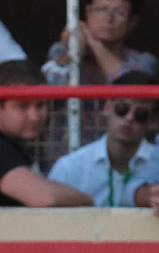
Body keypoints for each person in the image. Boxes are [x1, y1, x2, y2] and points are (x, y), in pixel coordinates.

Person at [47, 69, 159, 206]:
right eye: (121, 108)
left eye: (140, 114)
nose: (129, 118)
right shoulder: (70, 168)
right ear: (107, 107)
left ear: (152, 121)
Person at [0, 60, 94, 207]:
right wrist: (87, 200)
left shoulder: (13, 145)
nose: (35, 116)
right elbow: (44, 197)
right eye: (22, 106)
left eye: (40, 105)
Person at [43, 0, 159, 86]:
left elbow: (131, 89)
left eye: (119, 13)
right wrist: (74, 53)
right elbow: (50, 86)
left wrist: (93, 42)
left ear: (132, 22)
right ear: (88, 12)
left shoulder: (144, 61)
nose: (108, 18)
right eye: (100, 9)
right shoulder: (60, 49)